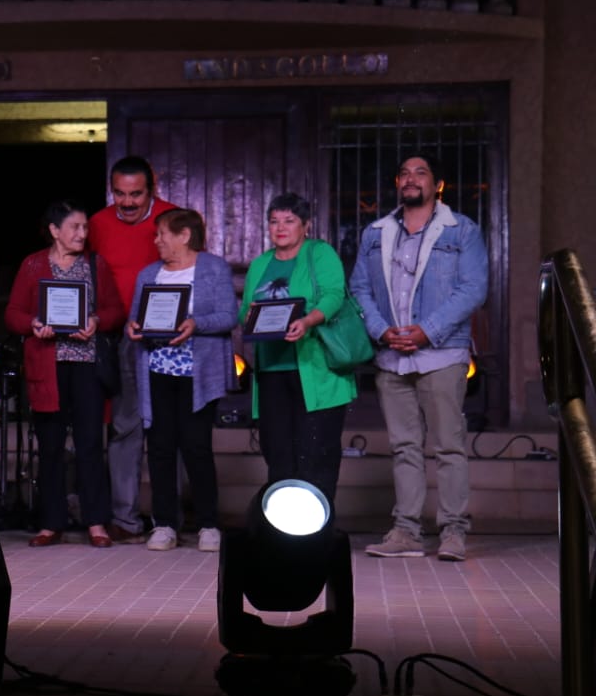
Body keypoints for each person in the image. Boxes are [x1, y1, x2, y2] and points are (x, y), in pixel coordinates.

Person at [354, 155, 489, 562]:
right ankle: (406, 532)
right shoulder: (375, 232)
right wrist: (381, 330)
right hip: (391, 356)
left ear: (437, 184)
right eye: (405, 174)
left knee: (449, 446)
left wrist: (427, 329)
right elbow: (359, 288)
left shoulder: (461, 230)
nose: (411, 179)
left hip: (441, 354)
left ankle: (453, 532)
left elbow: (473, 289)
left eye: (421, 172)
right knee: (404, 447)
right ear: (398, 183)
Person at [6, 200, 124, 548]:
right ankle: (50, 522)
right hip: (48, 366)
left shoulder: (95, 264)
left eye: (85, 227)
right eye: (75, 227)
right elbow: (13, 313)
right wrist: (33, 324)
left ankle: (96, 522)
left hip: (87, 366)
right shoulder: (33, 265)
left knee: (90, 444)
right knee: (51, 447)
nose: (82, 234)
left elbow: (116, 310)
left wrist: (96, 321)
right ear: (55, 231)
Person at [128, 209, 237, 552]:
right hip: (157, 371)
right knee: (159, 449)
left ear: (184, 235)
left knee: (196, 447)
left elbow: (228, 316)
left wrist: (194, 323)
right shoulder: (149, 273)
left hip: (197, 375)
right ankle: (164, 525)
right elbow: (135, 318)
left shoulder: (213, 268)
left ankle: (208, 524)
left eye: (162, 234)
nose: (157, 240)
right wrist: (132, 328)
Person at [239, 193, 356, 501]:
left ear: (306, 225)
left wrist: (307, 322)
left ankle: (317, 534)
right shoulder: (261, 263)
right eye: (274, 221)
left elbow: (334, 296)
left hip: (316, 372)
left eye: (289, 221)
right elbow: (244, 313)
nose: (280, 227)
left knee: (315, 455)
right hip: (272, 372)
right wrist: (251, 316)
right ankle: (283, 534)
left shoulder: (320, 253)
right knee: (277, 454)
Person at [86, 156, 177, 543]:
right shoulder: (97, 224)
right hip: (119, 337)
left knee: (170, 428)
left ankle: (169, 516)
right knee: (125, 427)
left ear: (152, 188)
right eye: (119, 194)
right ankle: (125, 518)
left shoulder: (173, 218)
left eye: (135, 194)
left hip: (170, 337)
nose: (126, 203)